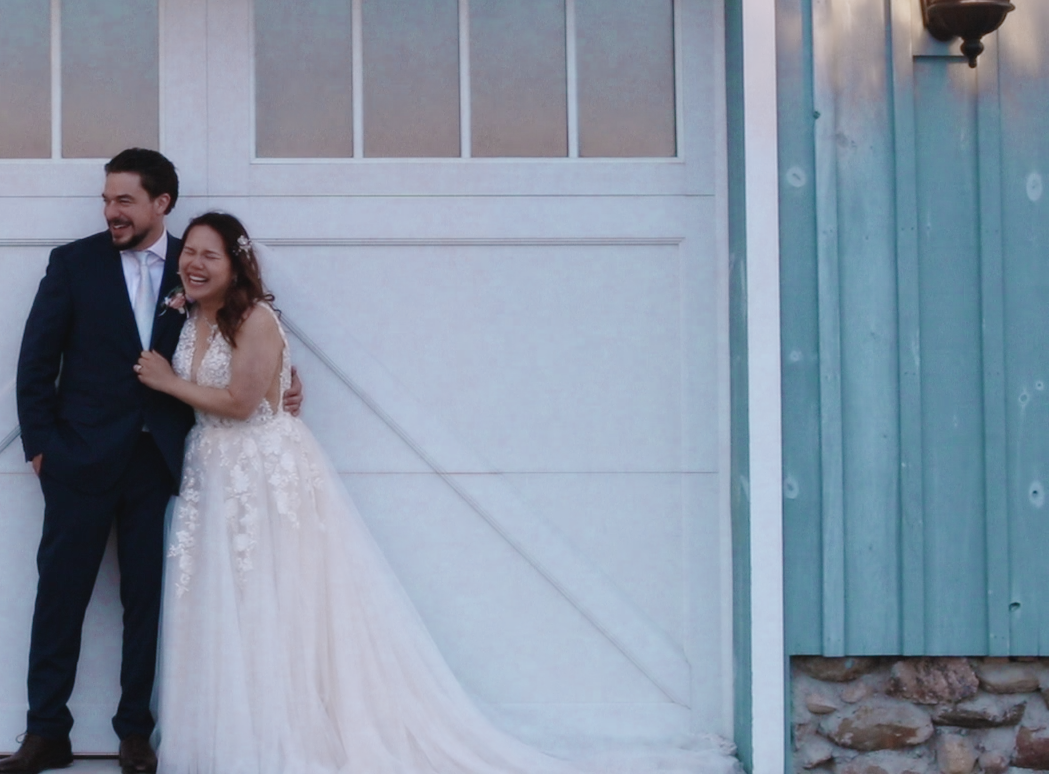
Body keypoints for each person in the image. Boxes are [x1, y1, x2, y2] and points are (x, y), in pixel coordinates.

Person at [133, 212, 736, 774]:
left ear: (236, 264)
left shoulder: (255, 319)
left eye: (210, 255)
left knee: (278, 599)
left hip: (263, 473)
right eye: (190, 252)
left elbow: (242, 403)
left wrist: (167, 381)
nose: (196, 263)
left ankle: (287, 736)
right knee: (225, 602)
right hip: (211, 470)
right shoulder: (187, 314)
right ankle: (233, 736)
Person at [0, 151, 300, 774]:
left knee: (147, 601)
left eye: (124, 201)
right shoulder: (73, 264)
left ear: (162, 204)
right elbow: (36, 362)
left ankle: (136, 732)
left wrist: (288, 383)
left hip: (158, 460)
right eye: (107, 200)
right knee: (60, 596)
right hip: (78, 459)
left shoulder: (198, 262)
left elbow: (251, 328)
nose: (111, 212)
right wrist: (42, 447)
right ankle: (46, 731)